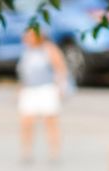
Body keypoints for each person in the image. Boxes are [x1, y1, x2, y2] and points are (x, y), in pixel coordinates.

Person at [16, 29, 70, 163]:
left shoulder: (49, 49)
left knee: (50, 121)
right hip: (29, 89)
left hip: (47, 88)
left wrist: (61, 88)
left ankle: (54, 152)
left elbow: (61, 69)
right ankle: (26, 152)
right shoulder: (26, 52)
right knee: (26, 122)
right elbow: (24, 73)